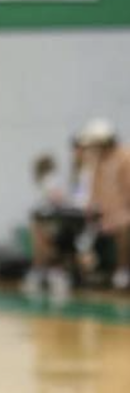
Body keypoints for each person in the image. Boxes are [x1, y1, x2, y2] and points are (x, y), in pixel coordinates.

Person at [75, 117, 130, 291]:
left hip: (122, 215)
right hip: (101, 217)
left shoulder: (125, 158)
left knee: (125, 225)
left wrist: (119, 214)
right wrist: (91, 212)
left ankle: (122, 271)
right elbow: (93, 194)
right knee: (80, 240)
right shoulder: (95, 162)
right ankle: (91, 276)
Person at [22, 153, 73, 297]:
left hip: (56, 220)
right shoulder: (52, 180)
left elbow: (57, 198)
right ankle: (44, 271)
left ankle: (47, 271)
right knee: (39, 236)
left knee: (42, 237)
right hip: (52, 219)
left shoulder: (50, 179)